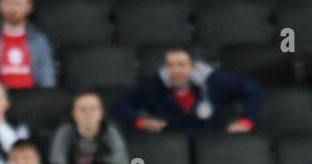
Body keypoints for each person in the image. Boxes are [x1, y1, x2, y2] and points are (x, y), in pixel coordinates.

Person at [113, 46, 263, 135]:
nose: (175, 70)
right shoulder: (154, 85)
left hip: (210, 141)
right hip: (171, 146)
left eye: (181, 65)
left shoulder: (214, 81)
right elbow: (120, 105)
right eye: (170, 65)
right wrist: (140, 122)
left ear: (192, 67)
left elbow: (253, 91)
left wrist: (246, 120)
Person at [49, 91, 128, 164]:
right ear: (74, 114)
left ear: (101, 113)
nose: (88, 114)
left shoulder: (110, 131)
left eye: (93, 109)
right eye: (82, 110)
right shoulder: (64, 132)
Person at [0, 0, 56, 90]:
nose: (13, 8)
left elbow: (47, 79)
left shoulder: (40, 40)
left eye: (17, 3)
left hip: (31, 97)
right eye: (8, 3)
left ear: (28, 7)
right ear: (0, 5)